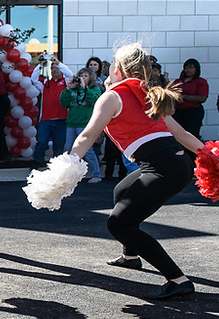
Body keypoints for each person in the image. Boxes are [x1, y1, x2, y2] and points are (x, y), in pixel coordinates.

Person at [69, 42, 204, 301]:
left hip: (163, 167)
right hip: (177, 163)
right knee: (122, 190)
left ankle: (177, 279)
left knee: (119, 223)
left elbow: (87, 135)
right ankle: (130, 257)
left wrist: (65, 166)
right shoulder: (147, 93)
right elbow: (182, 135)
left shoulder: (113, 96)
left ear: (117, 69)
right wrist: (211, 155)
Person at [60, 67, 102, 183]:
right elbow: (64, 102)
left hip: (84, 124)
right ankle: (72, 176)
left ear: (91, 78)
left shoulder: (94, 89)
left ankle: (96, 175)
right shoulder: (74, 89)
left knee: (87, 150)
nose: (82, 78)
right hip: (71, 123)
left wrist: (85, 88)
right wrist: (68, 88)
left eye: (85, 76)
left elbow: (94, 100)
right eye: (81, 76)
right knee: (70, 150)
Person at [32, 54, 73, 166]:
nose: (54, 70)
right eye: (52, 68)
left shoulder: (66, 82)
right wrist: (40, 65)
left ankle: (56, 166)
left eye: (57, 68)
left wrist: (58, 62)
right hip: (46, 119)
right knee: (41, 143)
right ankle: (37, 162)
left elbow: (71, 75)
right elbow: (33, 79)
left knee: (59, 145)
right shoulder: (45, 83)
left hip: (61, 119)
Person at [171, 58, 209, 139]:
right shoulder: (178, 81)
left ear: (196, 69)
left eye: (191, 68)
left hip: (193, 112)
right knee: (177, 135)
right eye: (186, 68)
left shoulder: (200, 81)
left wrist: (184, 97)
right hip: (177, 112)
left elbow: (202, 98)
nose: (188, 70)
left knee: (192, 134)